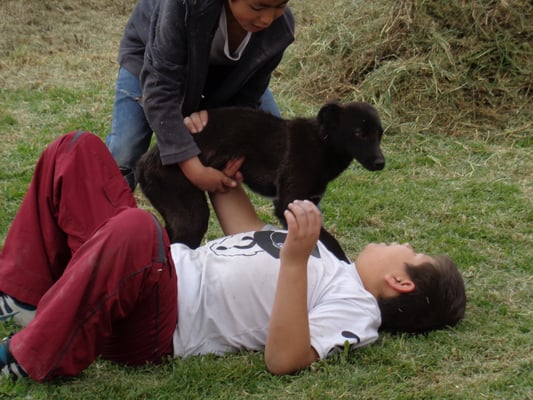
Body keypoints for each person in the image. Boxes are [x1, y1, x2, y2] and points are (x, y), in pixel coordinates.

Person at [0, 131, 466, 381]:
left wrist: (296, 260)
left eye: (414, 252)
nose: (404, 243)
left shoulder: (358, 308)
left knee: (137, 229)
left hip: (161, 318)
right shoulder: (327, 259)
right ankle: (24, 298)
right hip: (150, 271)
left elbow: (285, 358)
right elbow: (248, 239)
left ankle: (35, 355)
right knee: (77, 150)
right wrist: (226, 178)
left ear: (401, 282)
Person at [106, 0, 295, 190]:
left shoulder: (279, 31)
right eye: (258, 7)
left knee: (282, 150)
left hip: (226, 79)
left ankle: (302, 207)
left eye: (280, 6)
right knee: (125, 150)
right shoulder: (184, 5)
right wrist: (192, 167)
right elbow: (161, 88)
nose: (267, 19)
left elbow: (249, 93)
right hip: (153, 61)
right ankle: (109, 206)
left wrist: (220, 123)